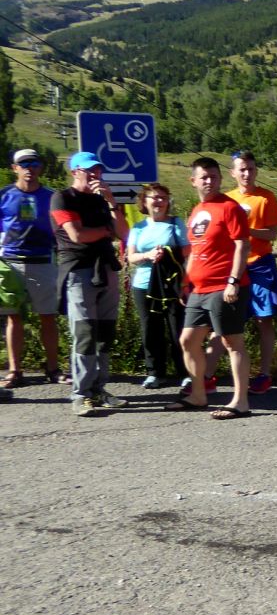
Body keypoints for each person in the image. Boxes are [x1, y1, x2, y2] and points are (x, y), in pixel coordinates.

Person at [201, 151, 277, 394]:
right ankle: (206, 376)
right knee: (223, 320)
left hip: (260, 264)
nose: (247, 174)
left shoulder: (266, 197)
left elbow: (272, 234)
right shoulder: (225, 199)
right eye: (242, 169)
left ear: (256, 171)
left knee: (264, 319)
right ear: (233, 173)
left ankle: (264, 374)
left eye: (251, 169)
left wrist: (246, 231)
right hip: (233, 266)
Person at [170, 157, 252, 419]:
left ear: (220, 179)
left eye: (214, 177)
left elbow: (242, 245)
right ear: (193, 181)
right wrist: (186, 282)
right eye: (204, 177)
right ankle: (198, 395)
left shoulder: (230, 208)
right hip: (199, 289)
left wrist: (233, 281)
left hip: (223, 286)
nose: (209, 181)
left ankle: (240, 402)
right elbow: (195, 250)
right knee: (188, 340)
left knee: (232, 342)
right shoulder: (197, 210)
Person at [49, 151, 130, 416]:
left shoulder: (101, 200)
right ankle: (81, 394)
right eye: (89, 170)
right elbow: (77, 235)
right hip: (78, 270)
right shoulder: (63, 197)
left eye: (98, 170)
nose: (95, 174)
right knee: (85, 332)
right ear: (75, 172)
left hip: (105, 268)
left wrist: (111, 202)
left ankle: (99, 389)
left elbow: (124, 233)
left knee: (105, 333)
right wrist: (106, 232)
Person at [0, 149, 67, 389]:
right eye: (24, 164)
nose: (30, 168)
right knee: (13, 317)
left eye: (34, 163)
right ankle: (15, 371)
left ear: (41, 167)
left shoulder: (52, 196)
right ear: (14, 168)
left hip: (43, 261)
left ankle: (53, 369)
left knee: (48, 317)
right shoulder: (4, 195)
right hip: (11, 262)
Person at [126, 183, 190, 389]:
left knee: (176, 327)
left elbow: (187, 251)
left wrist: (168, 254)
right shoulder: (138, 228)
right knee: (150, 329)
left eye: (163, 197)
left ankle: (185, 372)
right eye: (154, 197)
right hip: (144, 285)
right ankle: (155, 372)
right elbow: (131, 257)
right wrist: (148, 255)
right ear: (144, 202)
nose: (159, 201)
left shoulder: (175, 223)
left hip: (171, 283)